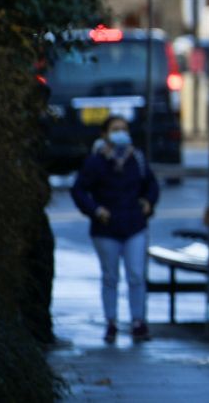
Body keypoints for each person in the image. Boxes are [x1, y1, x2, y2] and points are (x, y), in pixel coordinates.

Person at [70, 115, 159, 343]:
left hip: (134, 224)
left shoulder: (136, 158)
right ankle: (111, 322)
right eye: (115, 129)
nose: (121, 133)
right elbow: (79, 190)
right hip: (106, 228)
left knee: (136, 275)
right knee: (110, 277)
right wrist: (96, 210)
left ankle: (138, 321)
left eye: (124, 129)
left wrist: (148, 202)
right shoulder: (96, 162)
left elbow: (151, 184)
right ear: (105, 134)